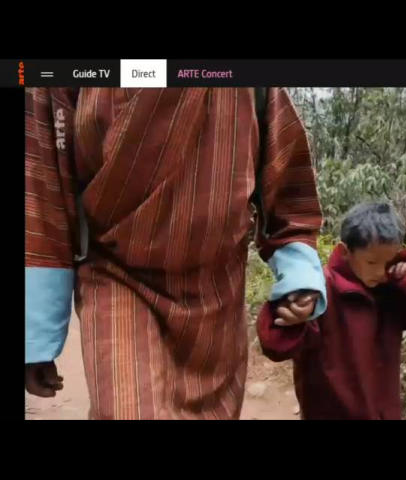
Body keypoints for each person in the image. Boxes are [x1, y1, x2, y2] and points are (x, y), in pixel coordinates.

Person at [25, 87, 327, 419]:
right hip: (117, 277)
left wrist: (298, 275)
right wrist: (36, 337)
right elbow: (44, 189)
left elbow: (287, 182)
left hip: (216, 298)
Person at [257, 201, 406, 420]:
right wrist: (293, 315)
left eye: (389, 262)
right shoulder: (320, 290)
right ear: (345, 252)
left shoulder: (389, 289)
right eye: (371, 262)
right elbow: (275, 346)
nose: (381, 272)